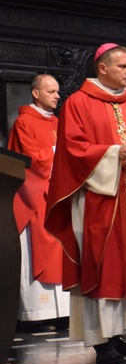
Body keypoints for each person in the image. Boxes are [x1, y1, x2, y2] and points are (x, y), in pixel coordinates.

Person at [45, 43, 126, 364]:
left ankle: (122, 333)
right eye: (123, 67)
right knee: (103, 267)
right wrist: (113, 153)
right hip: (98, 201)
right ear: (102, 67)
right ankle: (101, 339)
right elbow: (73, 150)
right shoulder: (78, 103)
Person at [9, 73, 70, 329]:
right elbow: (27, 162)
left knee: (63, 249)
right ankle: (38, 314)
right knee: (41, 250)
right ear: (36, 93)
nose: (57, 96)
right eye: (51, 92)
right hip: (36, 197)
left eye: (57, 91)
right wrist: (56, 152)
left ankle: (65, 311)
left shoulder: (60, 123)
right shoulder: (24, 122)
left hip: (60, 196)